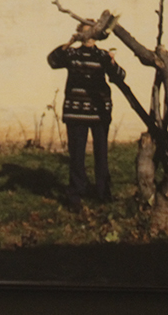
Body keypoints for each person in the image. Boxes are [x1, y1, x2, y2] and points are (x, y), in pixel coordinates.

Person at [47, 21, 125, 209]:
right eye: (85, 33)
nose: (89, 37)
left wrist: (112, 63)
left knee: (101, 154)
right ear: (79, 35)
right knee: (76, 156)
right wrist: (69, 43)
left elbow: (119, 76)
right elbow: (53, 61)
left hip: (99, 112)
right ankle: (75, 196)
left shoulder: (102, 55)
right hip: (76, 112)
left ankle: (103, 193)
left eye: (92, 33)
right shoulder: (72, 54)